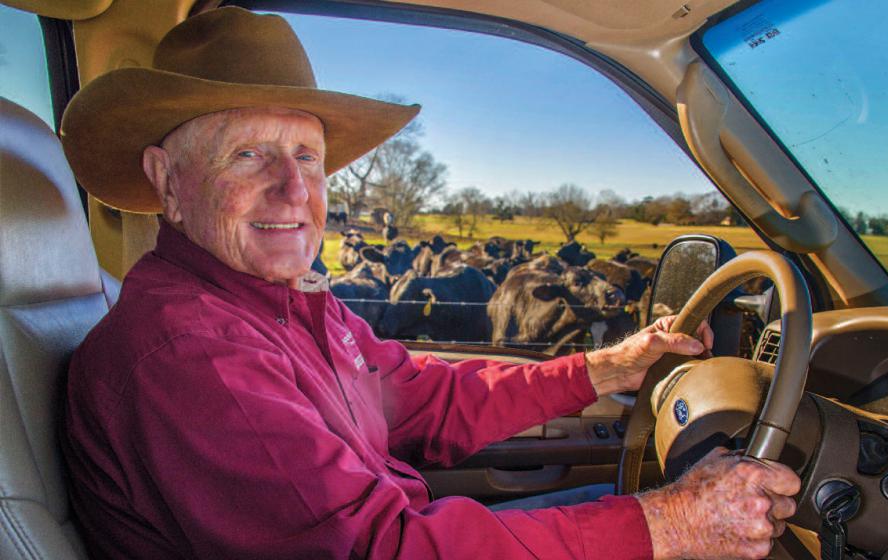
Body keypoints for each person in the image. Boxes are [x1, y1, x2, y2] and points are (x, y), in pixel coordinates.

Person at [60, 7, 799, 559]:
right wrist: (673, 523)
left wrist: (609, 367)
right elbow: (381, 552)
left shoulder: (288, 308)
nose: (294, 191)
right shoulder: (191, 355)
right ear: (168, 181)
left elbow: (430, 400)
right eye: (248, 155)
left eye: (307, 157)